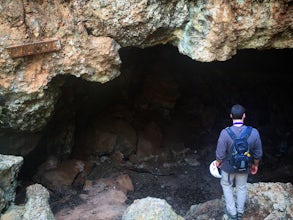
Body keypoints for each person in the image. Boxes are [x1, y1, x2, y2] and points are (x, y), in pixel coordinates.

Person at [215, 104, 263, 220]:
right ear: (244, 116)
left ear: (231, 116)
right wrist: (255, 165)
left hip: (228, 168)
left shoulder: (225, 133)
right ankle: (240, 212)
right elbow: (258, 153)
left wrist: (218, 162)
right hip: (245, 166)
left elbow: (220, 155)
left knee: (227, 185)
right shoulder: (254, 132)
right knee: (241, 187)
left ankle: (232, 213)